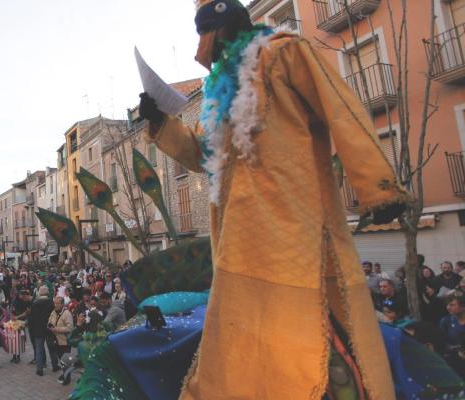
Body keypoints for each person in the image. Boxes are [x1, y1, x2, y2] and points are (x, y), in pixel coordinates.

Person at [138, 0, 406, 397]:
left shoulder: (284, 53)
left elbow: (341, 109)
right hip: (238, 241)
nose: (207, 51)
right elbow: (202, 155)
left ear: (224, 28)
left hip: (293, 229)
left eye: (208, 35)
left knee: (316, 337)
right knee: (248, 345)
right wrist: (161, 122)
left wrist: (377, 188)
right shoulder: (217, 95)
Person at [30, 285, 55, 376]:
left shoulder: (35, 303)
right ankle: (55, 365)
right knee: (51, 348)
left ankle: (39, 369)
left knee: (39, 349)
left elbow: (32, 317)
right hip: (48, 328)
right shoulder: (51, 303)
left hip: (38, 329)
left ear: (39, 293)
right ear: (47, 292)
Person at [439, 296, 465, 377]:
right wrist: (454, 348)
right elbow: (440, 343)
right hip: (455, 364)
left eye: (452, 305)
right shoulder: (445, 321)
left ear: (463, 307)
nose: (448, 307)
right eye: (447, 305)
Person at [47, 296, 74, 372]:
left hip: (65, 341)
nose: (55, 305)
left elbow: (70, 328)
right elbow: (49, 321)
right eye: (54, 303)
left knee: (66, 360)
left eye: (58, 303)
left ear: (62, 304)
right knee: (61, 359)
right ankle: (64, 375)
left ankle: (67, 378)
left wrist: (56, 329)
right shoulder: (53, 312)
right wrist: (49, 326)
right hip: (57, 340)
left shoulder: (67, 313)